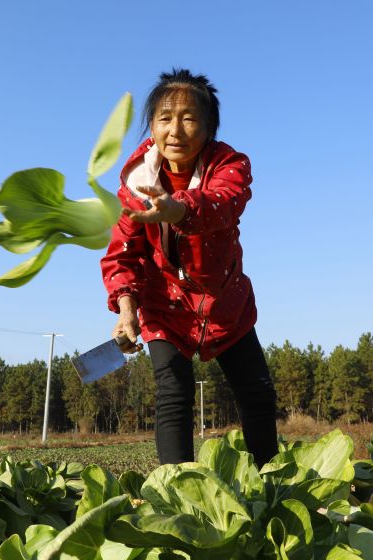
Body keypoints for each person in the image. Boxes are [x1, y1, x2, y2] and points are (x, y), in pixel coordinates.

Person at [100, 69, 278, 467]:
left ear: (209, 127)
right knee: (173, 393)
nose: (175, 130)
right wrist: (127, 313)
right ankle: (177, 493)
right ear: (151, 126)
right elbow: (122, 254)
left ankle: (271, 483)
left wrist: (176, 209)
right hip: (166, 306)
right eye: (164, 118)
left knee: (257, 393)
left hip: (224, 305)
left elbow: (223, 203)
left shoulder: (230, 165)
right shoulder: (135, 185)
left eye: (188, 118)